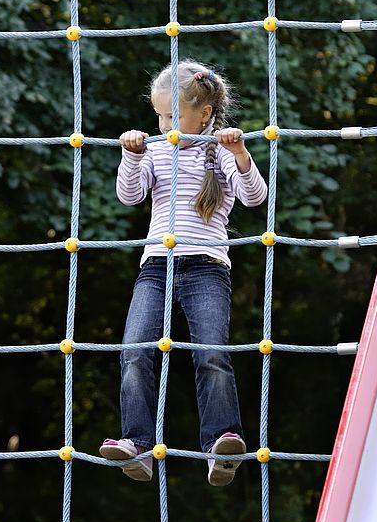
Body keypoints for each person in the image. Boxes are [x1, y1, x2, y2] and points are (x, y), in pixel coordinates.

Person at [99, 60, 268, 486]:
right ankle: (136, 444)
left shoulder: (221, 152)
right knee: (135, 350)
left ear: (204, 114)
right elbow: (129, 195)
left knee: (210, 353)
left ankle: (221, 444)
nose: (163, 123)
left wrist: (242, 155)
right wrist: (132, 154)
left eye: (171, 116)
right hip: (156, 266)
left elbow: (254, 198)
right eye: (159, 115)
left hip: (206, 268)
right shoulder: (157, 148)